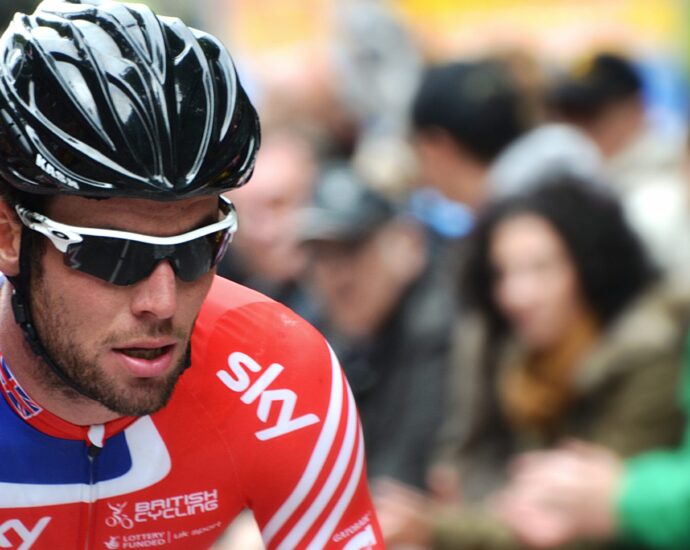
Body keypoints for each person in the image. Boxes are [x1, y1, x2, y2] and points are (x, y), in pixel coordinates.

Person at [0, 2, 383, 549]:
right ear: (9, 236)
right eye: (115, 256)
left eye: (197, 249)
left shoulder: (279, 377)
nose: (161, 301)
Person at [376, 179, 689, 549]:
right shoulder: (523, 359)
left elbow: (573, 520)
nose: (516, 294)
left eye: (540, 268)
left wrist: (435, 528)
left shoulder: (645, 355)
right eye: (503, 273)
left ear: (590, 267)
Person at [298, 165, 454, 489]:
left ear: (408, 243)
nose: (339, 277)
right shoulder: (322, 336)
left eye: (353, 249)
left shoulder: (439, 324)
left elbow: (399, 480)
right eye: (323, 255)